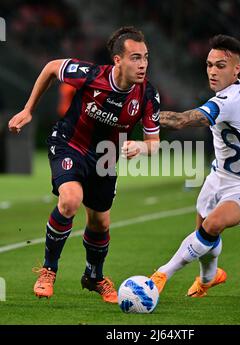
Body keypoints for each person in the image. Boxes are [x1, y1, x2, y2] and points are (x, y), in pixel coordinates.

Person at [8, 26, 160, 303]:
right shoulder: (91, 75)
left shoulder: (147, 95)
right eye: (136, 58)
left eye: (146, 57)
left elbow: (154, 142)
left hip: (105, 159)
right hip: (70, 143)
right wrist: (29, 109)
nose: (143, 65)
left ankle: (93, 277)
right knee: (70, 200)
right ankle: (48, 270)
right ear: (118, 60)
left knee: (100, 223)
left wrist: (141, 146)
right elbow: (52, 68)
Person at [150, 34, 240, 298]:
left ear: (235, 68)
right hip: (218, 176)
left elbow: (184, 120)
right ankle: (209, 279)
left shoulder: (230, 100)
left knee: (213, 224)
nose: (212, 71)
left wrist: (143, 114)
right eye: (209, 65)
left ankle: (161, 275)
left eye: (220, 65)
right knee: (204, 233)